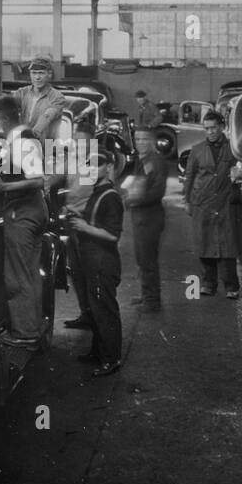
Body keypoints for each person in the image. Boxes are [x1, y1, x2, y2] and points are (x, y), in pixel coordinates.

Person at [0, 95, 50, 347]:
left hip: (24, 212)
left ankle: (25, 333)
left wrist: (3, 188)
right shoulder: (16, 139)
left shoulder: (24, 140)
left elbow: (38, 179)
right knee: (30, 274)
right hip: (31, 211)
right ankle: (34, 326)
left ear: (3, 118)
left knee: (18, 276)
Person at [67, 149, 124, 376]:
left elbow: (113, 235)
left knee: (105, 311)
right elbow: (96, 221)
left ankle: (112, 359)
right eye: (88, 166)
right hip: (92, 260)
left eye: (96, 166)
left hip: (102, 262)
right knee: (95, 308)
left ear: (108, 167)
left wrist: (84, 227)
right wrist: (79, 216)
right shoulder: (97, 192)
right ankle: (98, 352)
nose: (90, 170)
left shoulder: (111, 197)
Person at [182, 109, 242, 298]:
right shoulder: (197, 150)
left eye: (214, 127)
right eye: (207, 128)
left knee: (228, 245)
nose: (210, 132)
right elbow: (190, 176)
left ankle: (231, 287)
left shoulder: (234, 149)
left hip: (226, 202)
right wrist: (186, 200)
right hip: (203, 202)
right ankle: (208, 284)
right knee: (204, 243)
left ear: (222, 127)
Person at [123, 126, 168, 310]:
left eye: (144, 139)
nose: (140, 143)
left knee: (147, 259)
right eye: (137, 139)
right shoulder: (142, 160)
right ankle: (146, 294)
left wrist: (133, 200)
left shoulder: (155, 161)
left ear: (151, 141)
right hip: (141, 217)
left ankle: (152, 300)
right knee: (142, 258)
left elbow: (157, 191)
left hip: (149, 217)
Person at [62, 120, 98, 330]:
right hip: (71, 221)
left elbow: (94, 194)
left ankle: (95, 315)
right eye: (76, 141)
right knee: (76, 271)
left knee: (90, 272)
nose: (78, 145)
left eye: (83, 142)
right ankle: (86, 313)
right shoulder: (72, 159)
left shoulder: (96, 162)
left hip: (88, 224)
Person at [13, 57, 68, 138]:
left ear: (49, 74)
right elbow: (9, 110)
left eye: (41, 73)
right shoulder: (21, 93)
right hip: (23, 142)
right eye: (34, 73)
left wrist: (34, 133)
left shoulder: (57, 97)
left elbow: (48, 115)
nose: (37, 77)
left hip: (48, 145)